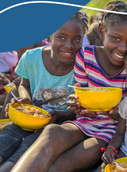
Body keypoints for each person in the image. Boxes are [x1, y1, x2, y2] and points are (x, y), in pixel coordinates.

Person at [12, 1, 127, 172]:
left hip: (111, 131)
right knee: (52, 132)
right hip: (83, 122)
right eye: (116, 39)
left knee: (57, 166)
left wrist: (117, 112)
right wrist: (78, 106)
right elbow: (80, 97)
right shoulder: (86, 57)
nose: (123, 48)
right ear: (102, 30)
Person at [0, 12, 88, 172]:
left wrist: (61, 115)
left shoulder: (84, 68)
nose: (69, 45)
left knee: (22, 155)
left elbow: (80, 111)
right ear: (50, 35)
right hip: (26, 120)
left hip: (54, 128)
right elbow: (24, 84)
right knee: (5, 139)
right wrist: (25, 100)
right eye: (61, 37)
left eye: (77, 39)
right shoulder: (31, 58)